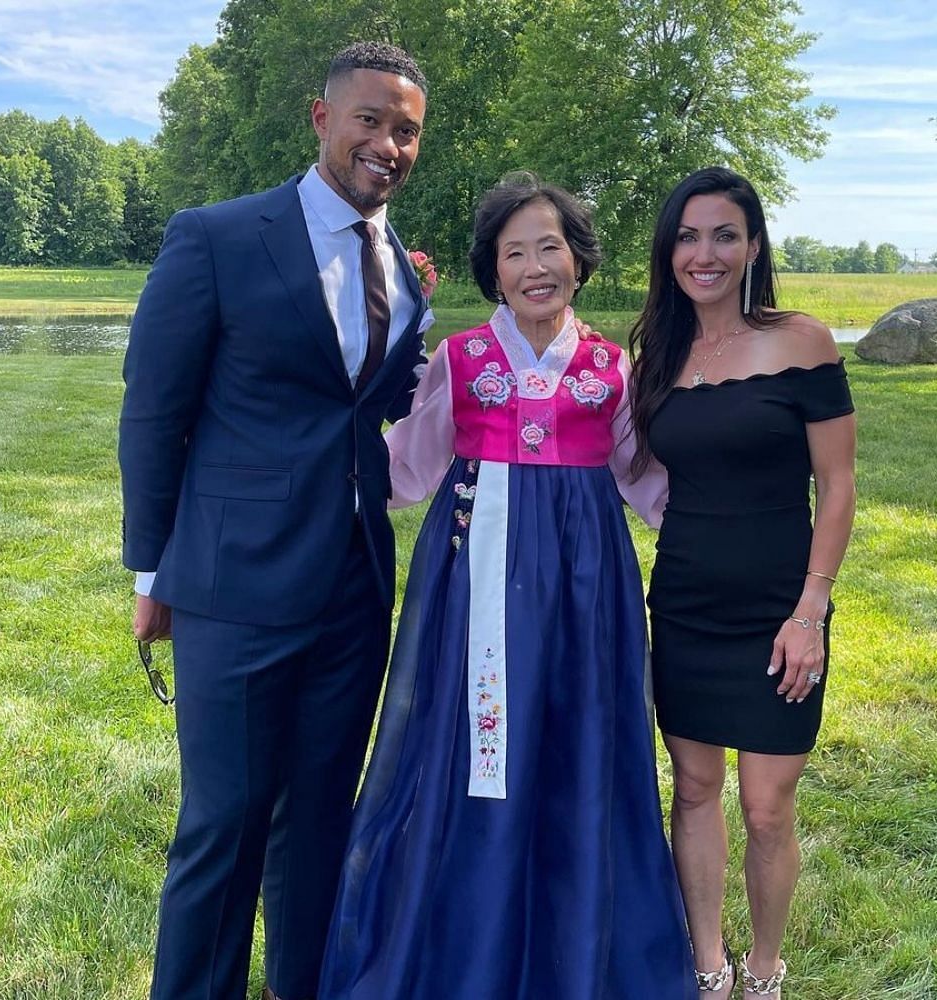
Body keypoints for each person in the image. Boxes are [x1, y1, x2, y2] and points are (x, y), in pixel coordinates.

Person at [317, 173, 697, 999]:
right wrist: (310, 456)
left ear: (579, 261)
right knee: (474, 741)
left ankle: (579, 939)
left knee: (579, 738)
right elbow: (406, 468)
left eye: (549, 247)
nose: (534, 267)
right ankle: (466, 932)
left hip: (585, 592)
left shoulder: (609, 368)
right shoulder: (461, 360)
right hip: (474, 583)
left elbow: (647, 480)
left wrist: (744, 528)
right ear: (493, 269)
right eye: (513, 251)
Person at [118, 43, 432, 1000]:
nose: (387, 142)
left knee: (321, 819)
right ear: (321, 118)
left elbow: (379, 410)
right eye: (370, 119)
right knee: (227, 820)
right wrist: (150, 573)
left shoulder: (406, 273)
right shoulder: (216, 236)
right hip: (234, 581)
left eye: (406, 129)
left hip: (352, 584)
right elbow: (153, 409)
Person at [628, 166, 857, 997]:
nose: (706, 253)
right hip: (685, 603)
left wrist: (811, 609)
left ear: (753, 245)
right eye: (688, 236)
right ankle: (707, 962)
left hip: (779, 608)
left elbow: (837, 486)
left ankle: (765, 965)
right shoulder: (656, 353)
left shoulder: (803, 341)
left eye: (725, 234)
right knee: (693, 790)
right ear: (669, 251)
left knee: (765, 805)